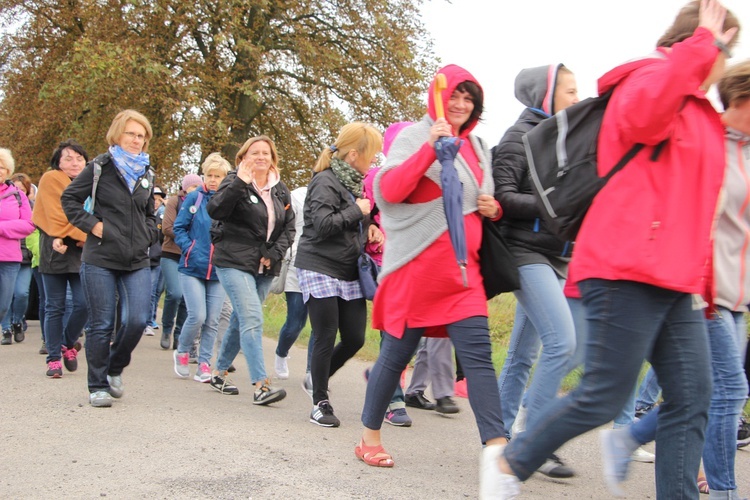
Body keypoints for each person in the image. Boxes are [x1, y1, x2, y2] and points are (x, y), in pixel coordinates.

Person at [494, 2, 740, 498]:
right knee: (604, 396)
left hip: (676, 277)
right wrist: (702, 44)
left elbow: (696, 208)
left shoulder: (696, 108)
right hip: (627, 266)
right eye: (724, 48)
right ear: (696, 42)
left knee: (694, 396)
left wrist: (705, 281)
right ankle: (508, 464)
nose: (725, 61)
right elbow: (646, 120)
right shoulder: (646, 80)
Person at [358, 64, 519, 498]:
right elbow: (389, 192)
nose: (462, 105)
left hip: (464, 275)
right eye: (456, 97)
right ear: (438, 98)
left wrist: (493, 208)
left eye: (470, 99)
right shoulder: (415, 135)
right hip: (417, 270)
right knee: (395, 358)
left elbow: (479, 201)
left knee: (480, 360)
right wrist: (430, 149)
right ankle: (369, 438)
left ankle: (496, 452)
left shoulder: (479, 147)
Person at [602, 56, 750, 499]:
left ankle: (629, 437)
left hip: (737, 291)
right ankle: (722, 489)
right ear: (741, 98)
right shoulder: (710, 139)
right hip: (702, 285)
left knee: (699, 396)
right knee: (728, 390)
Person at [492, 63, 579, 478]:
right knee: (562, 341)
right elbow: (503, 196)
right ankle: (535, 442)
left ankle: (501, 438)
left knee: (524, 353)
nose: (577, 99)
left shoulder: (563, 139)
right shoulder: (519, 137)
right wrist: (554, 208)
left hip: (557, 254)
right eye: (570, 91)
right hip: (524, 251)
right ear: (544, 95)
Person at [62, 109, 159, 408]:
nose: (136, 140)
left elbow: (148, 214)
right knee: (102, 324)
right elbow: (70, 200)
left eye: (141, 135)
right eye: (131, 133)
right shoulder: (99, 167)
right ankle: (98, 385)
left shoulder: (147, 172)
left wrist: (149, 233)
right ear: (118, 134)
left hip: (136, 259)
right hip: (100, 258)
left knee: (138, 319)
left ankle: (115, 367)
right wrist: (94, 226)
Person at [295, 122, 383, 427]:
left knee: (356, 338)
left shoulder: (354, 183)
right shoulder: (324, 181)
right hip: (319, 264)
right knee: (326, 333)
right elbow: (323, 225)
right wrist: (357, 213)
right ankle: (320, 402)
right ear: (354, 154)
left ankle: (315, 378)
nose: (375, 160)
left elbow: (358, 213)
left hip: (347, 269)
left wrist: (370, 225)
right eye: (372, 154)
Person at [206, 135, 294, 405]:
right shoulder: (234, 182)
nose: (260, 157)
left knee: (240, 318)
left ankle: (219, 373)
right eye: (254, 152)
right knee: (253, 317)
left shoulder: (280, 190)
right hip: (233, 261)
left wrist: (274, 253)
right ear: (243, 157)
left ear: (273, 158)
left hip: (265, 266)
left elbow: (289, 227)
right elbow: (216, 209)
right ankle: (261, 385)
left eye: (266, 153)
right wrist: (240, 183)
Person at [31, 140, 91, 377]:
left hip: (83, 250)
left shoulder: (93, 182)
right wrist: (85, 232)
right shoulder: (50, 179)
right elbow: (53, 214)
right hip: (54, 247)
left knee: (84, 302)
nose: (74, 163)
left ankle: (67, 343)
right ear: (58, 162)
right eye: (68, 158)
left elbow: (98, 213)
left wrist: (88, 234)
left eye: (79, 158)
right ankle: (54, 357)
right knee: (54, 306)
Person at [172, 153, 230, 383]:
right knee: (197, 315)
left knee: (213, 319)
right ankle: (183, 351)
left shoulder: (230, 202)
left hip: (219, 270)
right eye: (210, 175)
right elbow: (179, 228)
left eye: (218, 176)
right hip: (192, 267)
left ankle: (205, 363)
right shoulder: (194, 198)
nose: (213, 180)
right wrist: (190, 249)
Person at [160, 173, 202, 350]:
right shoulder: (174, 202)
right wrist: (189, 239)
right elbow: (167, 228)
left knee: (187, 298)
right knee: (175, 293)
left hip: (191, 256)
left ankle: (179, 334)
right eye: (192, 187)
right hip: (172, 253)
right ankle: (167, 328)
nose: (195, 190)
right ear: (185, 188)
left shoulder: (203, 203)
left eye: (198, 186)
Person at [273, 185, 309, 380]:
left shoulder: (341, 196)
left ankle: (314, 373)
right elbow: (284, 226)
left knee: (323, 328)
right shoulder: (297, 196)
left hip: (325, 266)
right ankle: (281, 352)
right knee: (296, 321)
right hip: (297, 263)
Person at [0, 148, 34, 345]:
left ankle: (13, 322)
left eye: (2, 167)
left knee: (4, 305)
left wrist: (2, 227)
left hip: (9, 258)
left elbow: (28, 224)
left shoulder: (17, 196)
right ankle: (6, 330)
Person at [144, 184, 167, 336]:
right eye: (154, 199)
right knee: (147, 291)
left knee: (155, 291)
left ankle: (150, 319)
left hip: (157, 258)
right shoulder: (144, 215)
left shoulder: (161, 216)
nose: (156, 202)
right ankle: (144, 321)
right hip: (143, 259)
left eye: (159, 200)